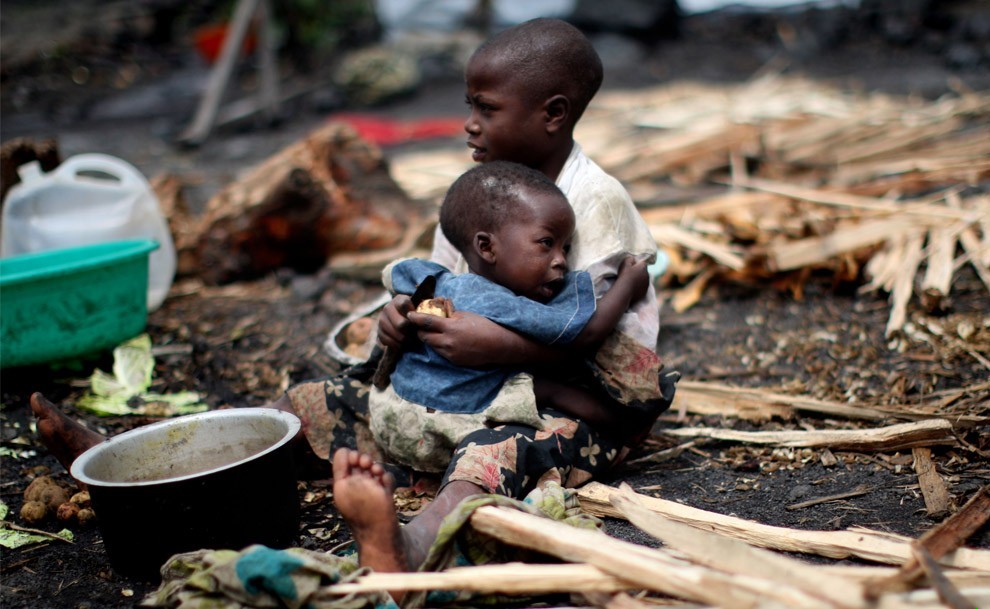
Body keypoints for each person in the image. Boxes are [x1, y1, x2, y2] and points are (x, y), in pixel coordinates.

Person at [30, 15, 678, 591]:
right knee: (308, 404)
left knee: (494, 456)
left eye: (486, 108)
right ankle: (136, 470)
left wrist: (499, 347)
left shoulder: (594, 203)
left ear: (553, 114)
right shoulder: (481, 192)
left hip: (552, 405)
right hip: (449, 391)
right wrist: (404, 318)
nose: (469, 123)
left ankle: (409, 545)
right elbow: (437, 289)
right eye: (468, 105)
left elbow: (599, 344)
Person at [369, 160, 649, 477]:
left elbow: (400, 274)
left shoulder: (445, 282)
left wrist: (401, 305)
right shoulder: (504, 304)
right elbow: (587, 332)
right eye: (547, 243)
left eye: (566, 247)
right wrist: (628, 283)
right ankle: (627, 427)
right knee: (546, 388)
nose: (561, 261)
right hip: (446, 427)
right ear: (487, 247)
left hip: (390, 414)